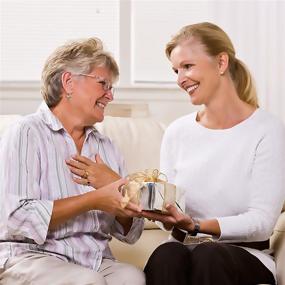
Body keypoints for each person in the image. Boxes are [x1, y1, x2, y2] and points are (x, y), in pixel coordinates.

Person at [142, 22, 285, 285]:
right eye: (176, 70)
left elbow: (263, 222)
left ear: (221, 63)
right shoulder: (177, 132)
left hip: (244, 254)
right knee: (167, 253)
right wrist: (161, 213)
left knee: (209, 255)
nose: (179, 79)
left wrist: (196, 226)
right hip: (183, 248)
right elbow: (172, 215)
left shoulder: (268, 130)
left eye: (187, 66)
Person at [0, 37, 145, 285]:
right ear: (68, 82)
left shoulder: (106, 147)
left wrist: (117, 189)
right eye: (103, 84)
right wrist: (93, 199)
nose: (110, 96)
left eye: (112, 88)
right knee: (87, 282)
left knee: (132, 278)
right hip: (31, 256)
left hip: (93, 258)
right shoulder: (26, 133)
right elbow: (16, 216)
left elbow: (132, 232)